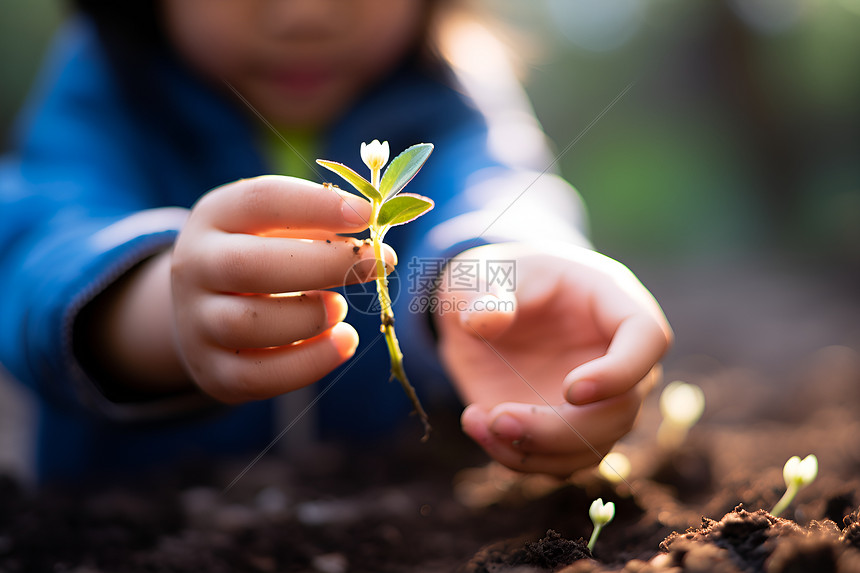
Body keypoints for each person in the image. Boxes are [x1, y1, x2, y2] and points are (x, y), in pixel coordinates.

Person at [0, 0, 672, 483]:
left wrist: (499, 280)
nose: (305, 14)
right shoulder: (104, 89)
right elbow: (39, 246)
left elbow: (483, 209)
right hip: (131, 512)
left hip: (409, 506)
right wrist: (155, 307)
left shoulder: (452, 91)